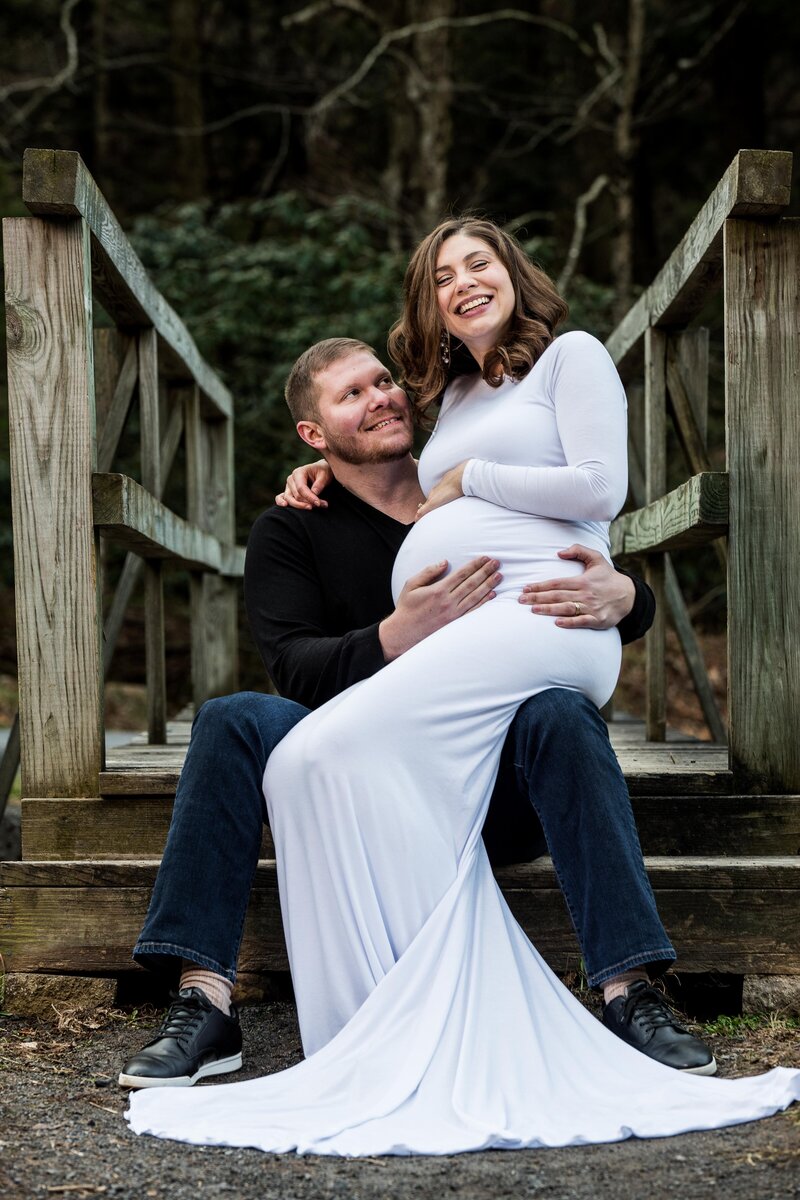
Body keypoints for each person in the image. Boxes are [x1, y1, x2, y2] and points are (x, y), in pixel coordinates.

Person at [126, 220, 799, 1153]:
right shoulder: (297, 525)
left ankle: (631, 988)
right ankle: (203, 1001)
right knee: (240, 718)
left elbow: (577, 536)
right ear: (316, 435)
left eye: (380, 382)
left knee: (562, 715)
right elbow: (296, 667)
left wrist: (631, 597)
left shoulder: (463, 444)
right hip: (381, 774)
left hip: (497, 772)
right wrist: (401, 634)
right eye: (350, 397)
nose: (378, 399)